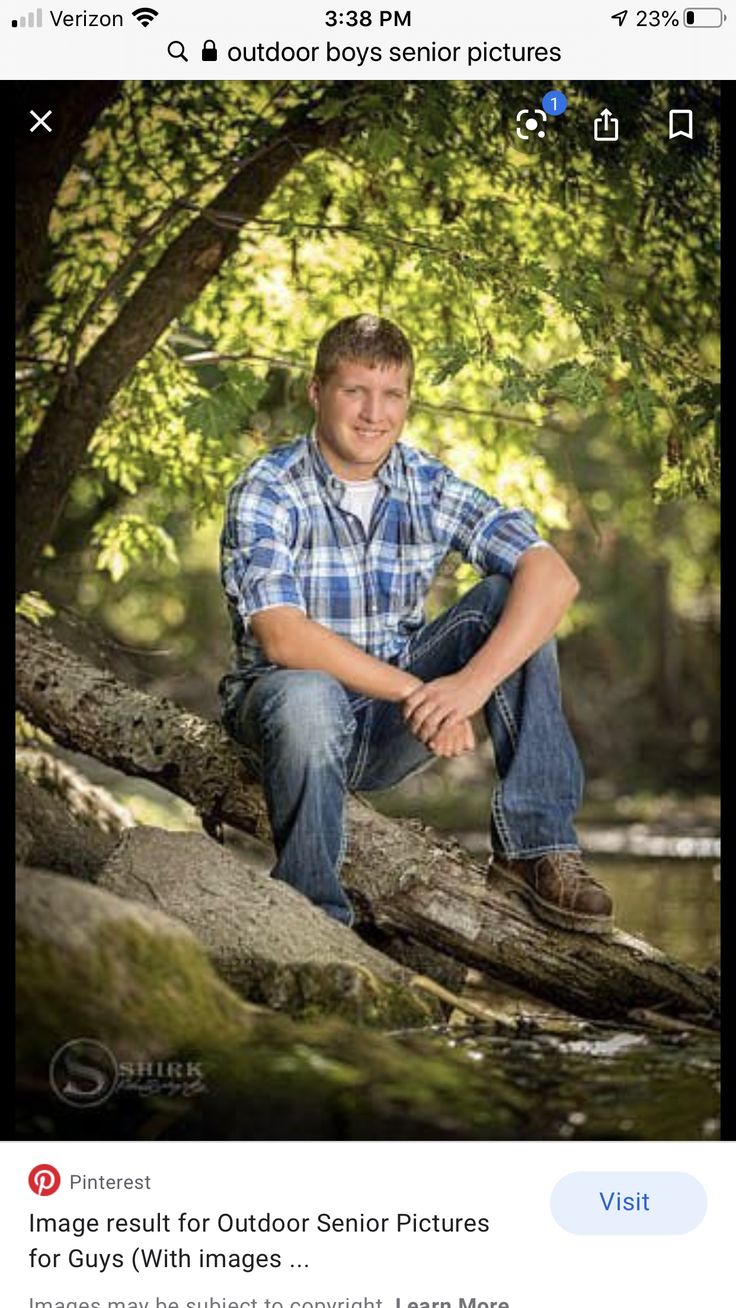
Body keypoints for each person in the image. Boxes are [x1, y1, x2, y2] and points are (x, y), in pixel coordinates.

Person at [219, 314, 613, 935]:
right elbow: (281, 635)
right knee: (310, 694)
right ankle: (312, 919)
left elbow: (554, 575)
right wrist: (419, 692)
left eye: (392, 395)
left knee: (513, 596)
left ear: (407, 401)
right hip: (283, 717)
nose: (374, 413)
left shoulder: (424, 482)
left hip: (388, 729)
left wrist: (470, 686)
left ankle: (533, 850)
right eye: (355, 391)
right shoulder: (268, 487)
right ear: (317, 393)